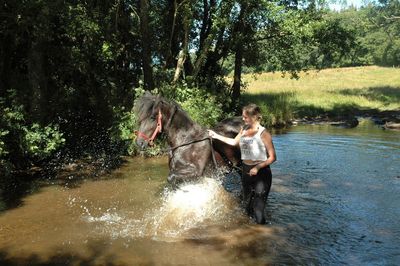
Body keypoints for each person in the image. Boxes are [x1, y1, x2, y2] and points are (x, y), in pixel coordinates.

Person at [208, 103, 276, 224]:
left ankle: (262, 235)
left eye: (245, 117)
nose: (243, 119)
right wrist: (216, 136)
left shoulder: (263, 133)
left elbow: (272, 157)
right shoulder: (244, 129)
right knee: (247, 208)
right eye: (243, 117)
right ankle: (250, 236)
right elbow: (234, 142)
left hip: (261, 174)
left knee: (258, 211)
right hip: (246, 172)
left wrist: (258, 167)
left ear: (254, 116)